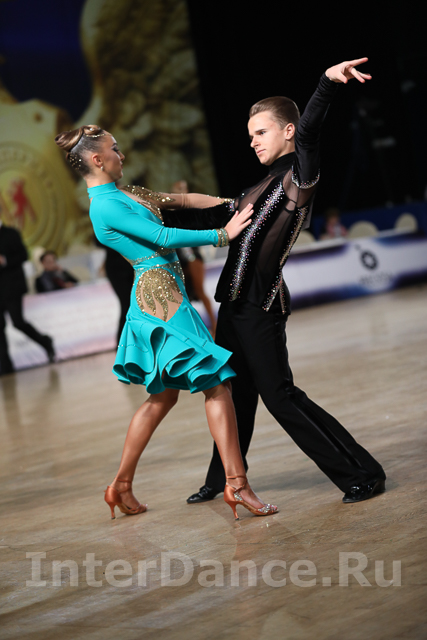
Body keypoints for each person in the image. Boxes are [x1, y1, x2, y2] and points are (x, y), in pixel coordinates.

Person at [152, 58, 386, 505]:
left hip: (261, 304)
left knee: (280, 396)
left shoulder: (299, 177)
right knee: (233, 393)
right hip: (234, 306)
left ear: (288, 131)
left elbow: (311, 132)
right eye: (250, 135)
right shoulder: (258, 188)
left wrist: (326, 83)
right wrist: (144, 204)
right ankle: (222, 478)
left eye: (261, 132)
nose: (253, 141)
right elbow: (209, 212)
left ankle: (362, 473)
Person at [54, 124, 278, 521]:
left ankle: (120, 486)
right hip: (161, 303)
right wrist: (222, 234)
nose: (122, 154)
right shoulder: (104, 206)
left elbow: (184, 200)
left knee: (163, 397)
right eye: (115, 149)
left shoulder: (126, 192)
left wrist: (234, 204)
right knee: (217, 385)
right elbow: (162, 235)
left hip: (165, 297)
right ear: (97, 159)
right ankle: (237, 484)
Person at [0, 218, 55, 375]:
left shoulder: (11, 233)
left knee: (18, 321)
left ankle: (45, 341)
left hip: (12, 287)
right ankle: (5, 366)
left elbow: (23, 255)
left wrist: (5, 260)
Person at [171, 180, 218, 334]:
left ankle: (215, 326)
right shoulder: (170, 211)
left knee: (199, 290)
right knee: (183, 295)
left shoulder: (192, 209)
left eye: (183, 188)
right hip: (179, 257)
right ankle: (192, 330)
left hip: (192, 255)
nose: (181, 191)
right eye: (178, 188)